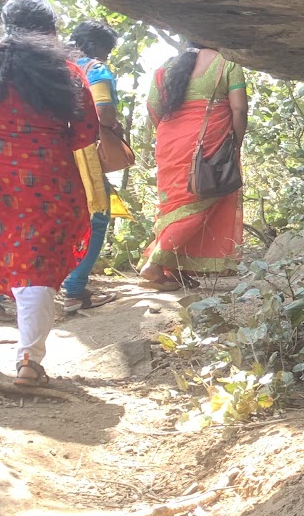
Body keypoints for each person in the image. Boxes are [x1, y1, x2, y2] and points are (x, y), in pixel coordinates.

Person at [0, 0, 99, 387]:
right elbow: (87, 133)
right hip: (49, 180)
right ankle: (29, 362)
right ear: (50, 30)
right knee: (35, 267)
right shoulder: (67, 72)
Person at [140, 41, 247, 288]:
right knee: (200, 202)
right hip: (207, 141)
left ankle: (176, 267)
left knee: (174, 204)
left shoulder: (166, 66)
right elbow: (239, 109)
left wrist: (172, 134)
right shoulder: (227, 63)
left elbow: (152, 107)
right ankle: (154, 266)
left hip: (169, 142)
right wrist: (235, 144)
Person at [60, 19, 121, 312]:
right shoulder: (94, 68)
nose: (105, 57)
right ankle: (74, 290)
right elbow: (104, 112)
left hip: (45, 153)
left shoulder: (50, 65)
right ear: (96, 46)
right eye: (106, 50)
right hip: (82, 153)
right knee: (97, 216)